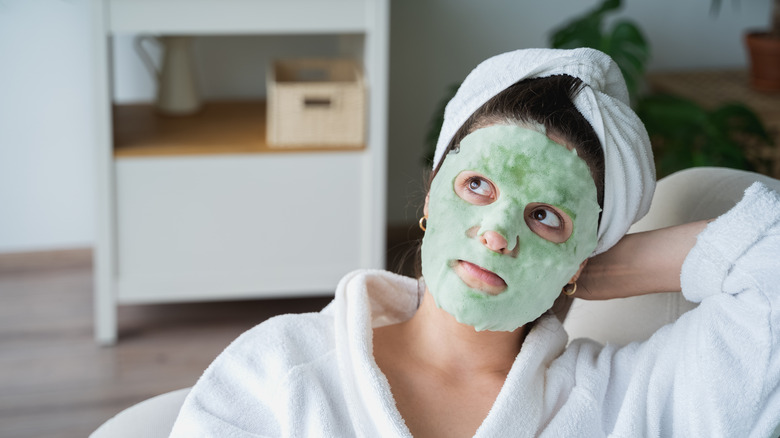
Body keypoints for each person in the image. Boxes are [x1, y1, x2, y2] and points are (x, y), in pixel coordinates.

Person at [169, 48, 780, 437]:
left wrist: (607, 266)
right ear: (432, 196)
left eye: (545, 216)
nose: (496, 232)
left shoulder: (625, 401)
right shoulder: (281, 368)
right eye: (478, 184)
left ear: (585, 250)